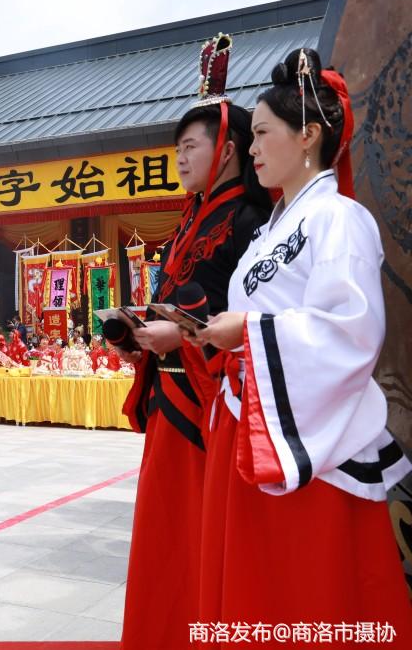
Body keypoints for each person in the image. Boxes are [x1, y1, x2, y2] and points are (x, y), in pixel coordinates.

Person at [184, 47, 412, 644]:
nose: (251, 148)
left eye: (261, 133)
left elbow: (351, 331)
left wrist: (251, 331)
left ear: (308, 135)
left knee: (302, 588)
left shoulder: (339, 219)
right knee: (258, 588)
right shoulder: (271, 230)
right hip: (256, 416)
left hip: (302, 436)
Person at [116, 34, 273, 650]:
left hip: (210, 409)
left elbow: (252, 320)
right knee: (166, 538)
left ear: (228, 149)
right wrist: (141, 338)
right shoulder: (191, 217)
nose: (179, 159)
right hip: (173, 401)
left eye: (190, 146)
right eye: (176, 149)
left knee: (195, 540)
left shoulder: (249, 221)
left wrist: (181, 342)